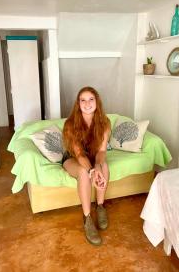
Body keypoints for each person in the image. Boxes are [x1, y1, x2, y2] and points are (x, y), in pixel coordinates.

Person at [62, 86, 111, 246]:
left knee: (104, 167)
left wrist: (97, 166)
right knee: (84, 172)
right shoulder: (70, 124)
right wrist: (91, 170)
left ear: (97, 102)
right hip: (74, 158)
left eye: (91, 99)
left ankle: (100, 206)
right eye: (83, 100)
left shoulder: (104, 123)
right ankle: (87, 218)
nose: (87, 103)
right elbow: (79, 155)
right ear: (78, 103)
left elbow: (102, 151)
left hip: (93, 156)